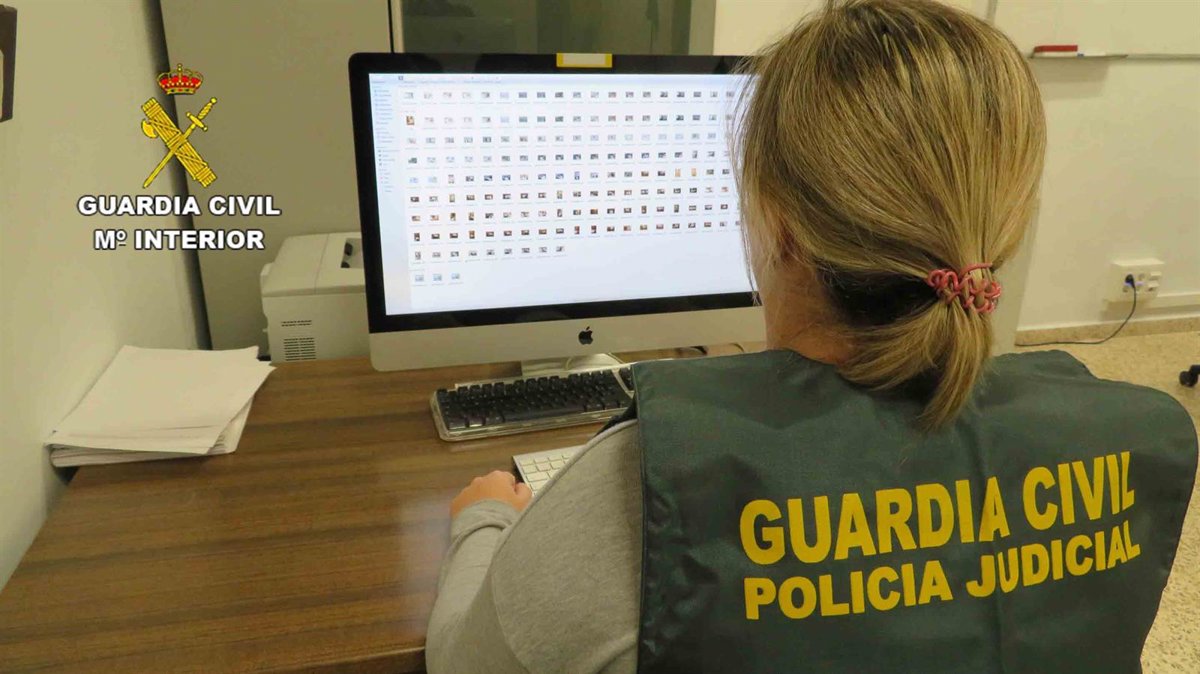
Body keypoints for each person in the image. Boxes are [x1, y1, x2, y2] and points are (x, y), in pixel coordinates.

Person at [426, 1, 1198, 672]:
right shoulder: (1121, 447)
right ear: (1009, 217)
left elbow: (464, 662)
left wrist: (483, 518)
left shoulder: (639, 487)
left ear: (779, 223)